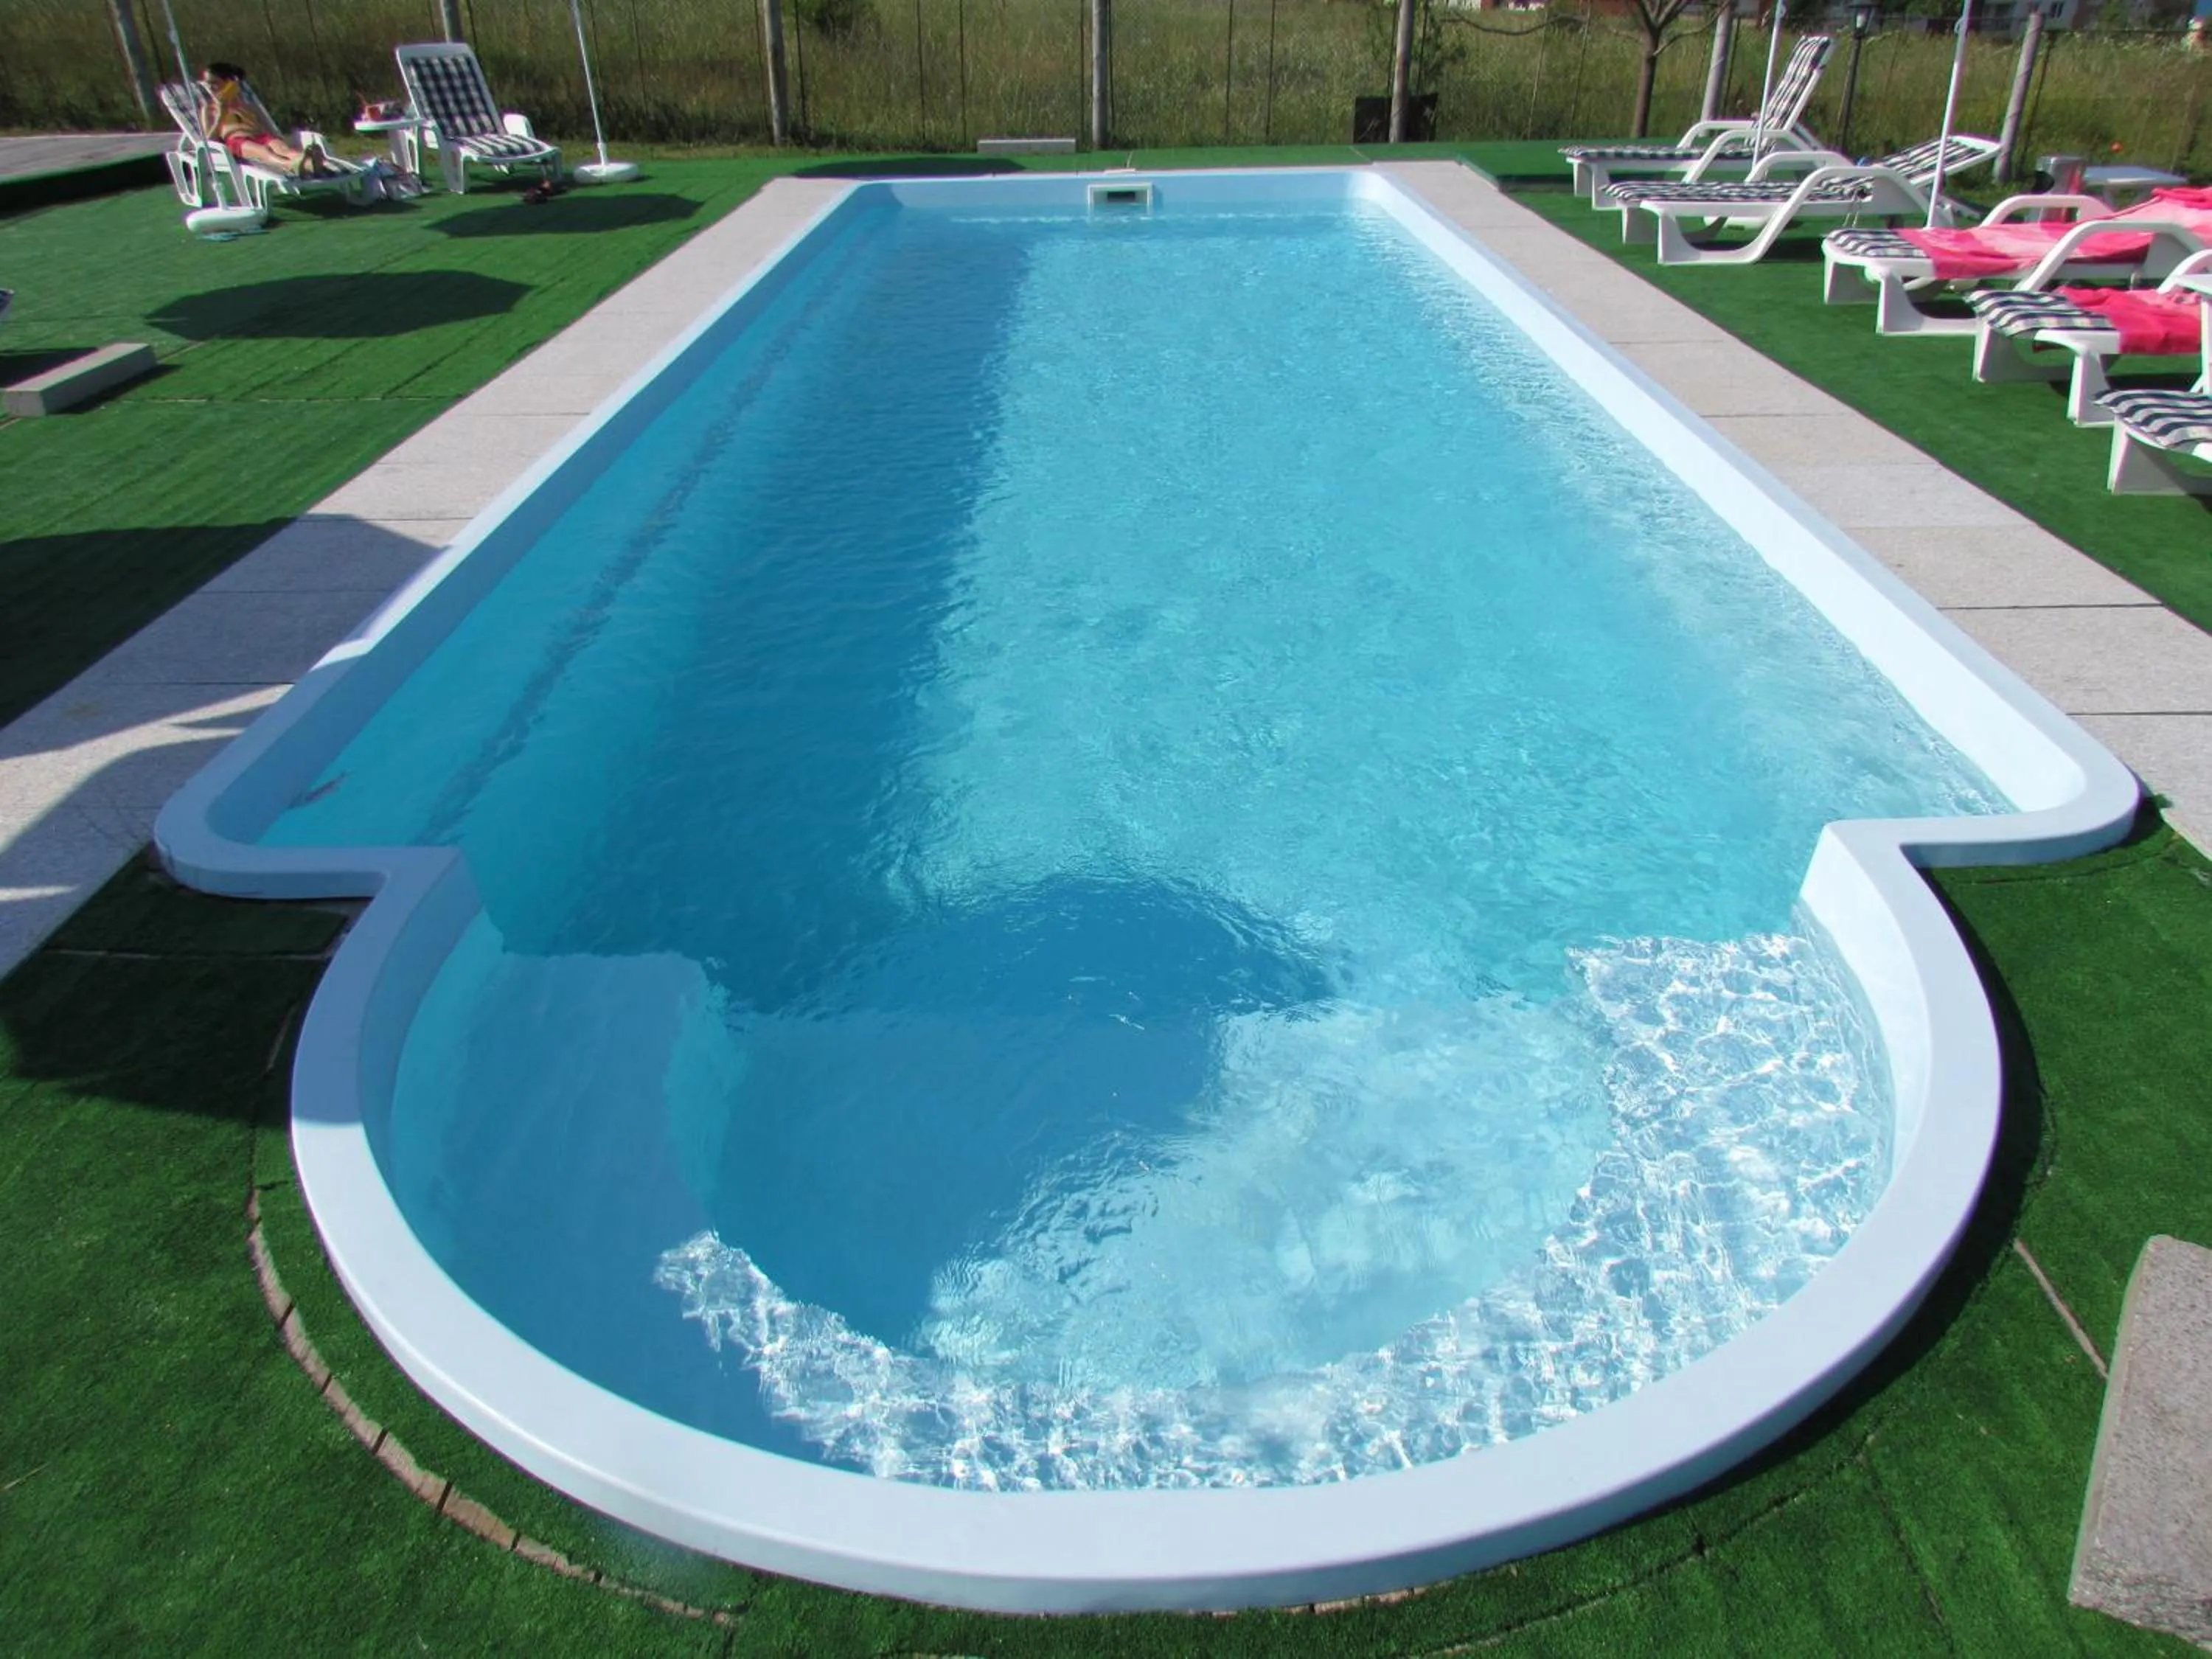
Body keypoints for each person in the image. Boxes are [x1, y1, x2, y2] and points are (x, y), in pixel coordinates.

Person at [197, 62, 333, 178]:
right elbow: (209, 141)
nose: (210, 88)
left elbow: (265, 125)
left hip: (261, 136)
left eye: (215, 83)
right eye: (208, 84)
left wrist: (277, 137)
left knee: (283, 149)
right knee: (264, 152)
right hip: (237, 141)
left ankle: (311, 162)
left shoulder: (246, 104)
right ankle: (292, 165)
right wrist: (221, 114)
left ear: (228, 82)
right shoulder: (209, 110)